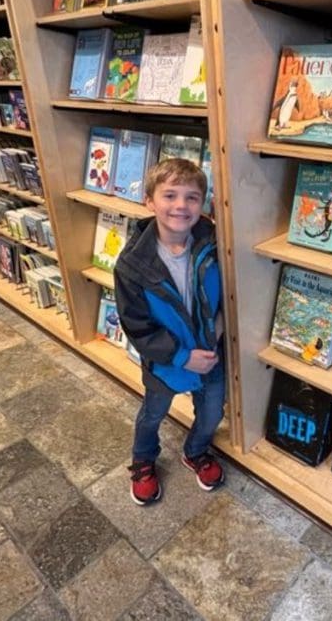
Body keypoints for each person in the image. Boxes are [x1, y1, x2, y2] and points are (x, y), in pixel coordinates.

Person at [115, 157, 225, 504]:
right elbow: (137, 326)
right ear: (149, 201)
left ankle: (196, 451)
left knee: (212, 412)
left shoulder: (214, 243)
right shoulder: (133, 264)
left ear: (202, 204)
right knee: (152, 413)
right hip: (167, 361)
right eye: (169, 195)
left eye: (192, 197)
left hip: (211, 353)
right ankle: (143, 459)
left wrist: (220, 328)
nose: (181, 205)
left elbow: (227, 296)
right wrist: (181, 357)